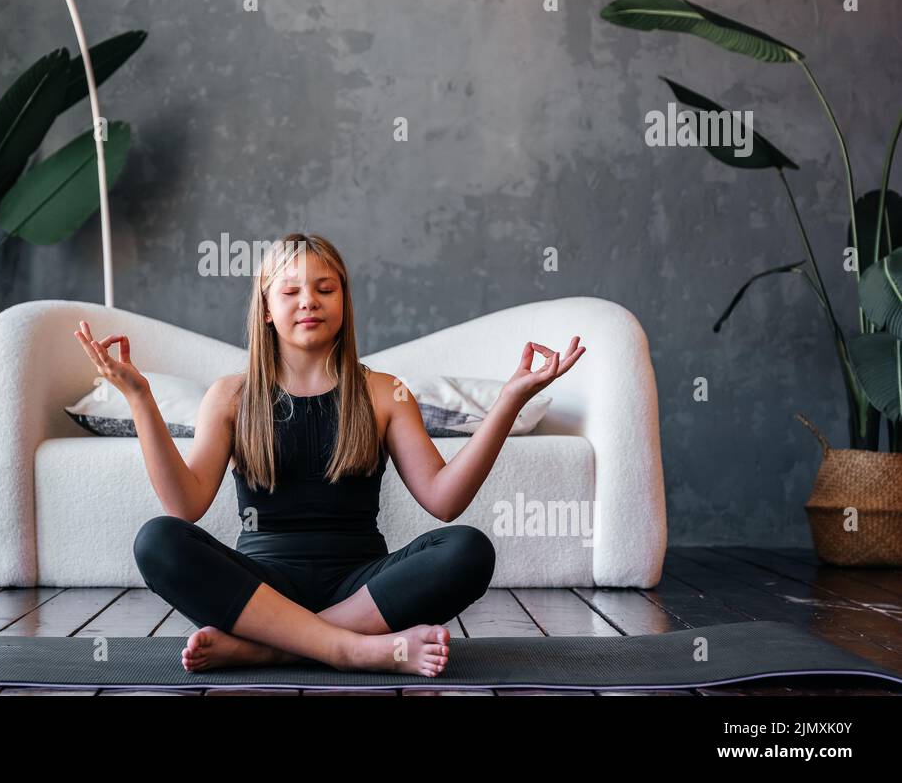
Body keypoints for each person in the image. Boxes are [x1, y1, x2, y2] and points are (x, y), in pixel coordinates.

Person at [72, 232, 584, 677]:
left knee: (468, 549)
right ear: (266, 310)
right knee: (158, 541)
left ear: (343, 301)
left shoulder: (385, 391)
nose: (308, 302)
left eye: (324, 289)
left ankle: (269, 652)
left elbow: (445, 500)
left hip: (362, 589)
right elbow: (184, 508)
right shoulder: (231, 395)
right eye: (290, 291)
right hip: (261, 589)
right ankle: (348, 649)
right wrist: (139, 398)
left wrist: (509, 399)